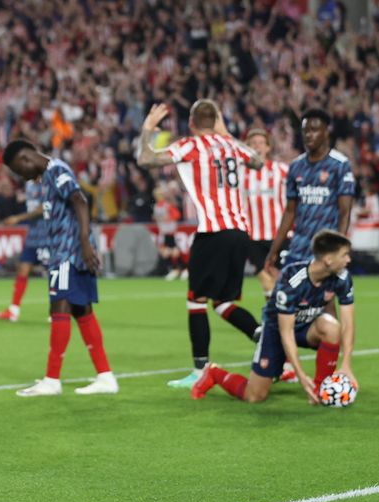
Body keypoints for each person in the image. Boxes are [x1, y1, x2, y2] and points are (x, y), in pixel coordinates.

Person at [137, 100, 264, 389]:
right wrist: (226, 133)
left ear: (192, 123)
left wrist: (147, 129)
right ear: (217, 120)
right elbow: (257, 160)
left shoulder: (192, 145)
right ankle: (261, 335)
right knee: (221, 302)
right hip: (240, 232)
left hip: (214, 231)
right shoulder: (233, 146)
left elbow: (146, 160)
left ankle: (199, 369)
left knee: (195, 299)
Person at [2, 140, 118, 396]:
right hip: (66, 251)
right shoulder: (48, 176)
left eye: (20, 171)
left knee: (60, 308)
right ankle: (106, 376)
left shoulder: (56, 171)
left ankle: (52, 380)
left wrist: (86, 242)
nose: (23, 177)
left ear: (25, 158)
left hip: (69, 252)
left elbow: (80, 200)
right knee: (81, 310)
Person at [192, 230, 356, 404]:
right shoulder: (292, 280)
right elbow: (286, 333)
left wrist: (345, 365)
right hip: (276, 331)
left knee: (332, 327)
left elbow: (348, 324)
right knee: (254, 396)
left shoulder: (342, 277)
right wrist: (300, 375)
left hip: (308, 328)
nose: (348, 260)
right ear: (328, 260)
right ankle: (214, 373)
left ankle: (320, 390)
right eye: (344, 255)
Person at [264, 109, 355, 272]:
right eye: (305, 131)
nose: (308, 135)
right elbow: (290, 212)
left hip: (326, 248)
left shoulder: (340, 165)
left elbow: (344, 212)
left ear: (326, 132)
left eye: (314, 130)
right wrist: (274, 249)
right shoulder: (296, 166)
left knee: (325, 297)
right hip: (298, 247)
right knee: (291, 295)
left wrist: (339, 248)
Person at [0, 177, 49, 322]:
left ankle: (57, 310)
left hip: (48, 235)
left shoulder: (48, 184)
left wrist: (18, 218)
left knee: (53, 273)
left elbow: (43, 209)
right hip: (33, 235)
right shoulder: (29, 185)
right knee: (23, 269)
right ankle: (14, 310)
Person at [242, 129, 288, 300]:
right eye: (253, 144)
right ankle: (275, 318)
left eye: (261, 143)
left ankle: (278, 317)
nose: (257, 147)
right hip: (252, 238)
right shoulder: (240, 173)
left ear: (268, 147)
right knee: (264, 278)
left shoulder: (281, 170)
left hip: (279, 235)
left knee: (279, 279)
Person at [153, 184, 185, 281]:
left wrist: (169, 218)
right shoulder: (156, 206)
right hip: (163, 231)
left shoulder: (167, 205)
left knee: (171, 251)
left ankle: (179, 269)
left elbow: (177, 215)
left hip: (170, 231)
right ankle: (177, 269)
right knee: (168, 252)